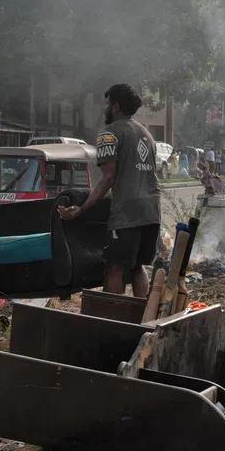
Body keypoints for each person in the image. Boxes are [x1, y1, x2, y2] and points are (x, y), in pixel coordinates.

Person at [58, 84, 161, 298]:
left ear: (115, 106)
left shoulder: (109, 134)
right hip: (152, 212)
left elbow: (107, 178)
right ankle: (144, 318)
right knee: (137, 267)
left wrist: (82, 209)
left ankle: (112, 319)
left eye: (106, 104)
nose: (104, 108)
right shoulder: (146, 135)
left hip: (128, 215)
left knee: (115, 268)